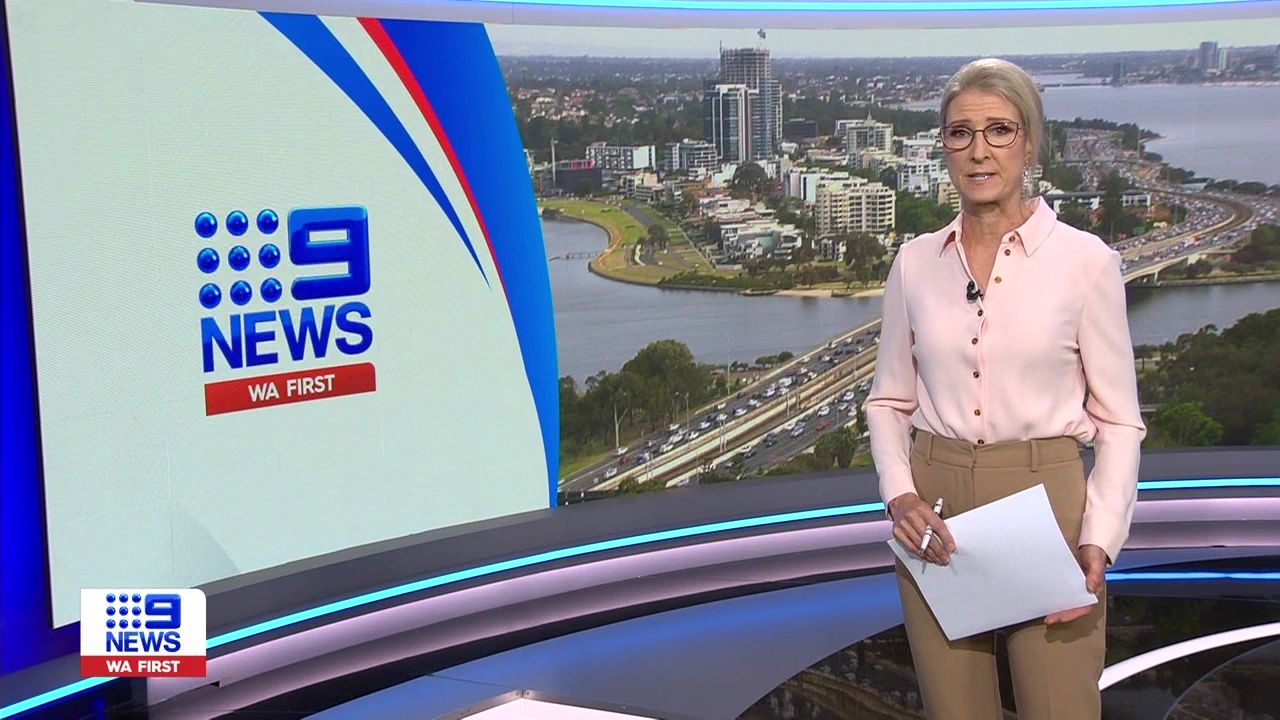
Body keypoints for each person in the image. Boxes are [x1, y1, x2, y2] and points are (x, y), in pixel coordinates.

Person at [862, 58, 1146, 719]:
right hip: (934, 512)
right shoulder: (914, 263)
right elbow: (888, 400)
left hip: (1048, 506)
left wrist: (1099, 537)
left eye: (999, 130)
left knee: (1058, 707)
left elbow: (1119, 422)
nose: (979, 150)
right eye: (960, 133)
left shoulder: (1086, 263)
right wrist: (899, 494)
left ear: (1030, 142)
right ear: (943, 147)